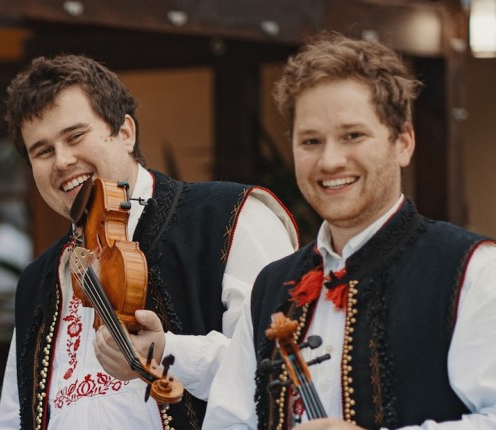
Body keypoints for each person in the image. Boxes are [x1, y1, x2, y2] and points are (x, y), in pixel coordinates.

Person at [202, 32, 496, 429]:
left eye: (352, 135)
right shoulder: (272, 286)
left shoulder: (472, 269)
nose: (330, 160)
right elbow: (228, 422)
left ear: (403, 143)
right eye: (310, 141)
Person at [0, 54, 299, 430]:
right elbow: (14, 416)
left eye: (75, 136)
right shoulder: (37, 280)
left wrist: (170, 352)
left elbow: (278, 373)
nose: (62, 160)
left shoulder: (232, 216)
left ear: (125, 132)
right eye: (42, 151)